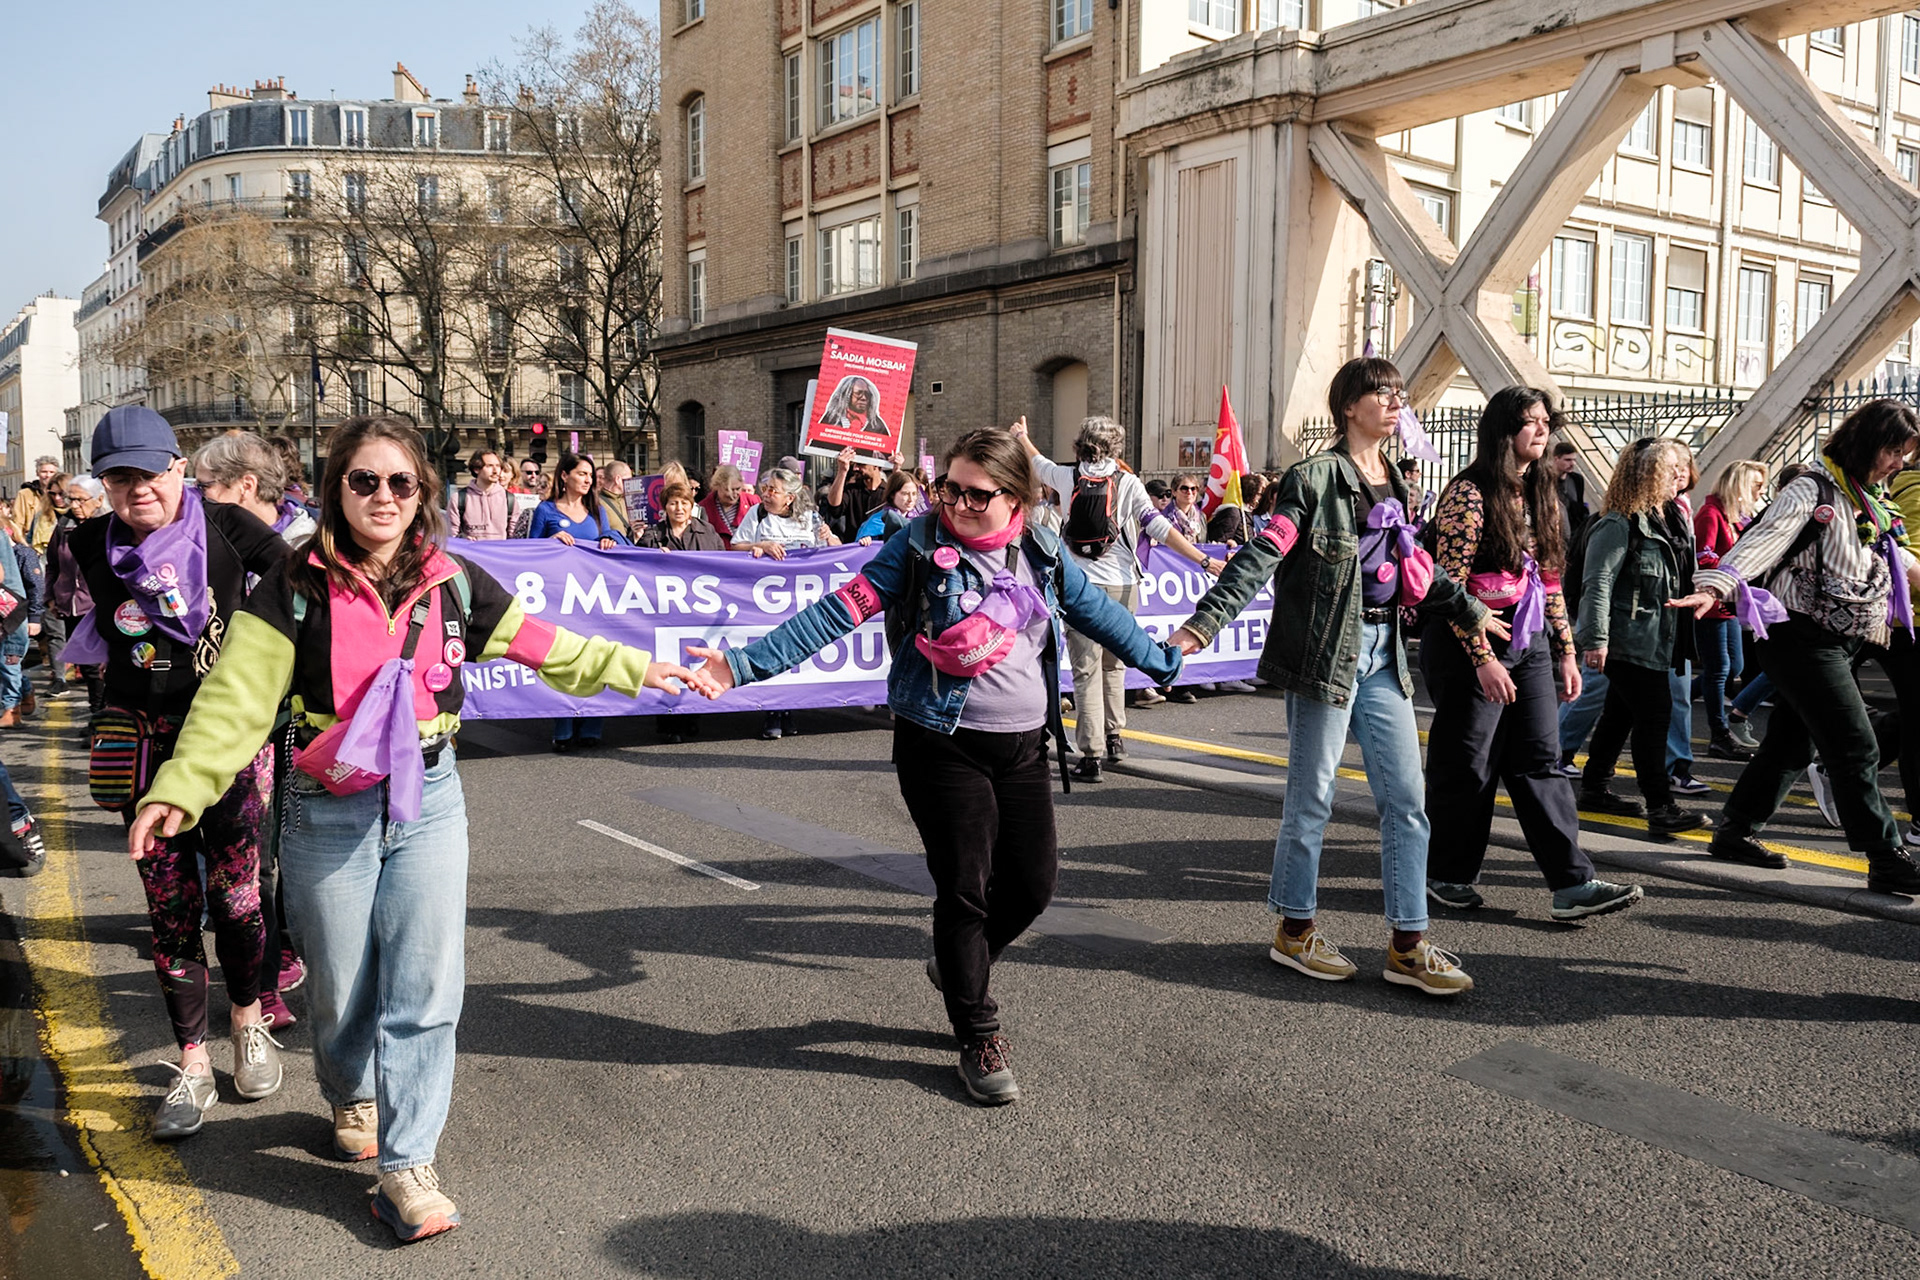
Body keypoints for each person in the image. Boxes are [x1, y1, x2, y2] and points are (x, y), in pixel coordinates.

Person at [129, 415, 697, 1241]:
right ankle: (349, 1093)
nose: (383, 497)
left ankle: (408, 1165)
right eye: (364, 481)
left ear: (423, 491)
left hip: (429, 798)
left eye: (401, 482)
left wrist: (646, 671)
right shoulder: (291, 586)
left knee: (427, 991)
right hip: (326, 806)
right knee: (342, 988)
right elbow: (235, 702)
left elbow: (553, 649)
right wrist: (178, 790)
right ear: (337, 491)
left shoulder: (453, 581)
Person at [686, 426, 1183, 1104]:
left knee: (1033, 887)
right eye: (949, 489)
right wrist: (741, 665)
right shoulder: (917, 546)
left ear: (1018, 499)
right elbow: (836, 613)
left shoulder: (1040, 548)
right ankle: (977, 1030)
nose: (957, 503)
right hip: (940, 742)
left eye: (976, 495)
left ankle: (956, 966)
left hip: (1024, 745)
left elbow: (1100, 615)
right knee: (966, 890)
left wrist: (1163, 660)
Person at [1171, 357, 1505, 995]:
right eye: (1383, 392)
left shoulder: (1401, 485)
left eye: (1399, 393)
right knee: (1312, 800)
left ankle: (1408, 943)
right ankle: (1294, 932)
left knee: (1408, 803)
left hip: (1384, 653)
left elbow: (1417, 569)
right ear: (1349, 405)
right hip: (1327, 653)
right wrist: (1202, 625)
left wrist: (1470, 609)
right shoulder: (1313, 480)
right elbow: (1263, 553)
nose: (1395, 401)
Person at [63, 405, 293, 1142]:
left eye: (148, 474)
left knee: (237, 898)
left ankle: (249, 1023)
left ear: (177, 469)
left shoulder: (227, 527)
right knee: (168, 909)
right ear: (104, 484)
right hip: (145, 744)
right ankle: (192, 1062)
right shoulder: (87, 542)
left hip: (227, 742)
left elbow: (301, 583)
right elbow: (91, 626)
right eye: (118, 478)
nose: (137, 491)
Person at [1668, 404, 1920, 896]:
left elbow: (1900, 559)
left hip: (1845, 639)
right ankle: (1886, 856)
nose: (1899, 462)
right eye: (1894, 451)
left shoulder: (1872, 498)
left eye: (1905, 454)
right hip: (1800, 640)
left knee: (1790, 742)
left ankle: (1735, 831)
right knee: (1855, 745)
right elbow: (1763, 540)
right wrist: (1718, 585)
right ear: (1866, 443)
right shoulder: (1812, 489)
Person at [1419, 387, 1643, 920]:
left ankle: (1573, 885)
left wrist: (1566, 652)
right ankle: (1444, 874)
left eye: (1546, 421)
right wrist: (1482, 658)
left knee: (1542, 760)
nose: (1542, 431)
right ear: (1503, 429)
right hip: (1469, 643)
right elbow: (1447, 582)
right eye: (1530, 422)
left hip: (1531, 639)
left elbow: (1549, 579)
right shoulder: (1469, 492)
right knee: (1469, 764)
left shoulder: (1544, 488)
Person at [1018, 417, 1221, 777]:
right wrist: (1204, 559)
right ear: (1116, 448)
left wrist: (1022, 437)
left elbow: (1038, 464)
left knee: (1086, 670)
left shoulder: (1069, 478)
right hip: (1124, 584)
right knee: (1116, 662)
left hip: (1081, 587)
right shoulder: (1128, 482)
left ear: (1080, 444)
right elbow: (1158, 526)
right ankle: (1115, 737)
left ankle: (1091, 755)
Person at [1573, 438, 1705, 834]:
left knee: (1621, 712)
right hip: (1628, 637)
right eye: (1668, 468)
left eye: (1679, 467)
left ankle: (1595, 786)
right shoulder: (1619, 522)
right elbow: (1596, 583)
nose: (1677, 474)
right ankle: (1661, 805)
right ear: (1646, 475)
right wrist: (1595, 640)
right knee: (1654, 714)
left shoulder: (1671, 518)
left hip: (1656, 635)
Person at [530, 453, 628, 752]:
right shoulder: (545, 510)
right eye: (581, 474)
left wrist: (610, 537)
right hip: (559, 597)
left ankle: (592, 726)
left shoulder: (596, 510)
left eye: (589, 475)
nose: (587, 479)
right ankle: (563, 726)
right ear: (564, 476)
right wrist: (551, 541)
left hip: (592, 596)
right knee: (563, 660)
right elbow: (527, 552)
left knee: (594, 658)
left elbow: (621, 541)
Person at [733, 468, 839, 740]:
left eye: (773, 491)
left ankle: (789, 709)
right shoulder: (756, 515)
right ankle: (772, 712)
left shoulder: (810, 518)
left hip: (801, 599)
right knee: (772, 649)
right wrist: (762, 545)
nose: (766, 495)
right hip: (765, 601)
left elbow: (836, 549)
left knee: (794, 654)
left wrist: (830, 536)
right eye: (765, 489)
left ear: (790, 498)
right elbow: (734, 547)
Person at [1694, 460, 1770, 760]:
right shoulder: (1711, 514)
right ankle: (1719, 733)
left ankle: (1676, 700)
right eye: (1755, 485)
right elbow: (1704, 557)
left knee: (1733, 668)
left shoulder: (1735, 517)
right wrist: (1734, 572)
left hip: (1730, 603)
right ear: (1738, 484)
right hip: (1711, 602)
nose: (1758, 490)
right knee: (1719, 670)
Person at [47, 477, 106, 712]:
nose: (74, 505)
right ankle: (96, 717)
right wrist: (50, 596)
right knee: (87, 664)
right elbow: (53, 564)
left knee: (99, 665)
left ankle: (102, 718)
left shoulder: (108, 524)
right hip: (70, 604)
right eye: (71, 499)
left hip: (98, 605)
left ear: (99, 500)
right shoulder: (64, 526)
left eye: (80, 499)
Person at [195, 432, 316, 545]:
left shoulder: (309, 548)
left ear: (247, 486)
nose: (195, 495)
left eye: (204, 486)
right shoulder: (206, 539)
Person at [821, 447, 889, 544]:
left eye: (861, 464)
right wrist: (842, 471)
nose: (855, 468)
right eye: (855, 464)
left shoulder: (889, 493)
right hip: (854, 551)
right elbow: (834, 508)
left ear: (876, 465)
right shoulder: (852, 490)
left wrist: (897, 470)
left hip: (881, 551)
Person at [446, 449, 511, 541]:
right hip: (469, 553)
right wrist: (464, 539)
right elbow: (452, 535)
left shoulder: (509, 499)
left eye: (498, 466)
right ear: (476, 469)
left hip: (500, 554)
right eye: (489, 466)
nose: (496, 471)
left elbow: (514, 537)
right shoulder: (459, 498)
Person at [856, 470, 922, 544]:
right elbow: (861, 550)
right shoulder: (877, 520)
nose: (911, 499)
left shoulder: (919, 521)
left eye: (914, 494)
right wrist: (866, 540)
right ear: (892, 494)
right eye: (905, 494)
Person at [699, 463, 759, 542]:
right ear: (717, 486)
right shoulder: (704, 507)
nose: (733, 494)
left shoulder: (752, 502)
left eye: (737, 489)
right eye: (728, 489)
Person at [817, 375, 890, 438]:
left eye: (867, 394)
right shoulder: (831, 419)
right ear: (847, 395)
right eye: (858, 393)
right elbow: (814, 449)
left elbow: (888, 452)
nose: (864, 398)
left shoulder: (876, 425)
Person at [1552, 439, 1590, 545]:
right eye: (1567, 460)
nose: (1572, 463)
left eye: (1574, 460)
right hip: (1556, 533)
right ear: (1556, 459)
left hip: (1574, 535)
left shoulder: (1577, 479)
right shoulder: (1547, 481)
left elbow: (1579, 506)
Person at [598, 460, 637, 542]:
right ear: (618, 479)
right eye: (628, 478)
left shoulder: (627, 501)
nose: (631, 482)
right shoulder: (597, 502)